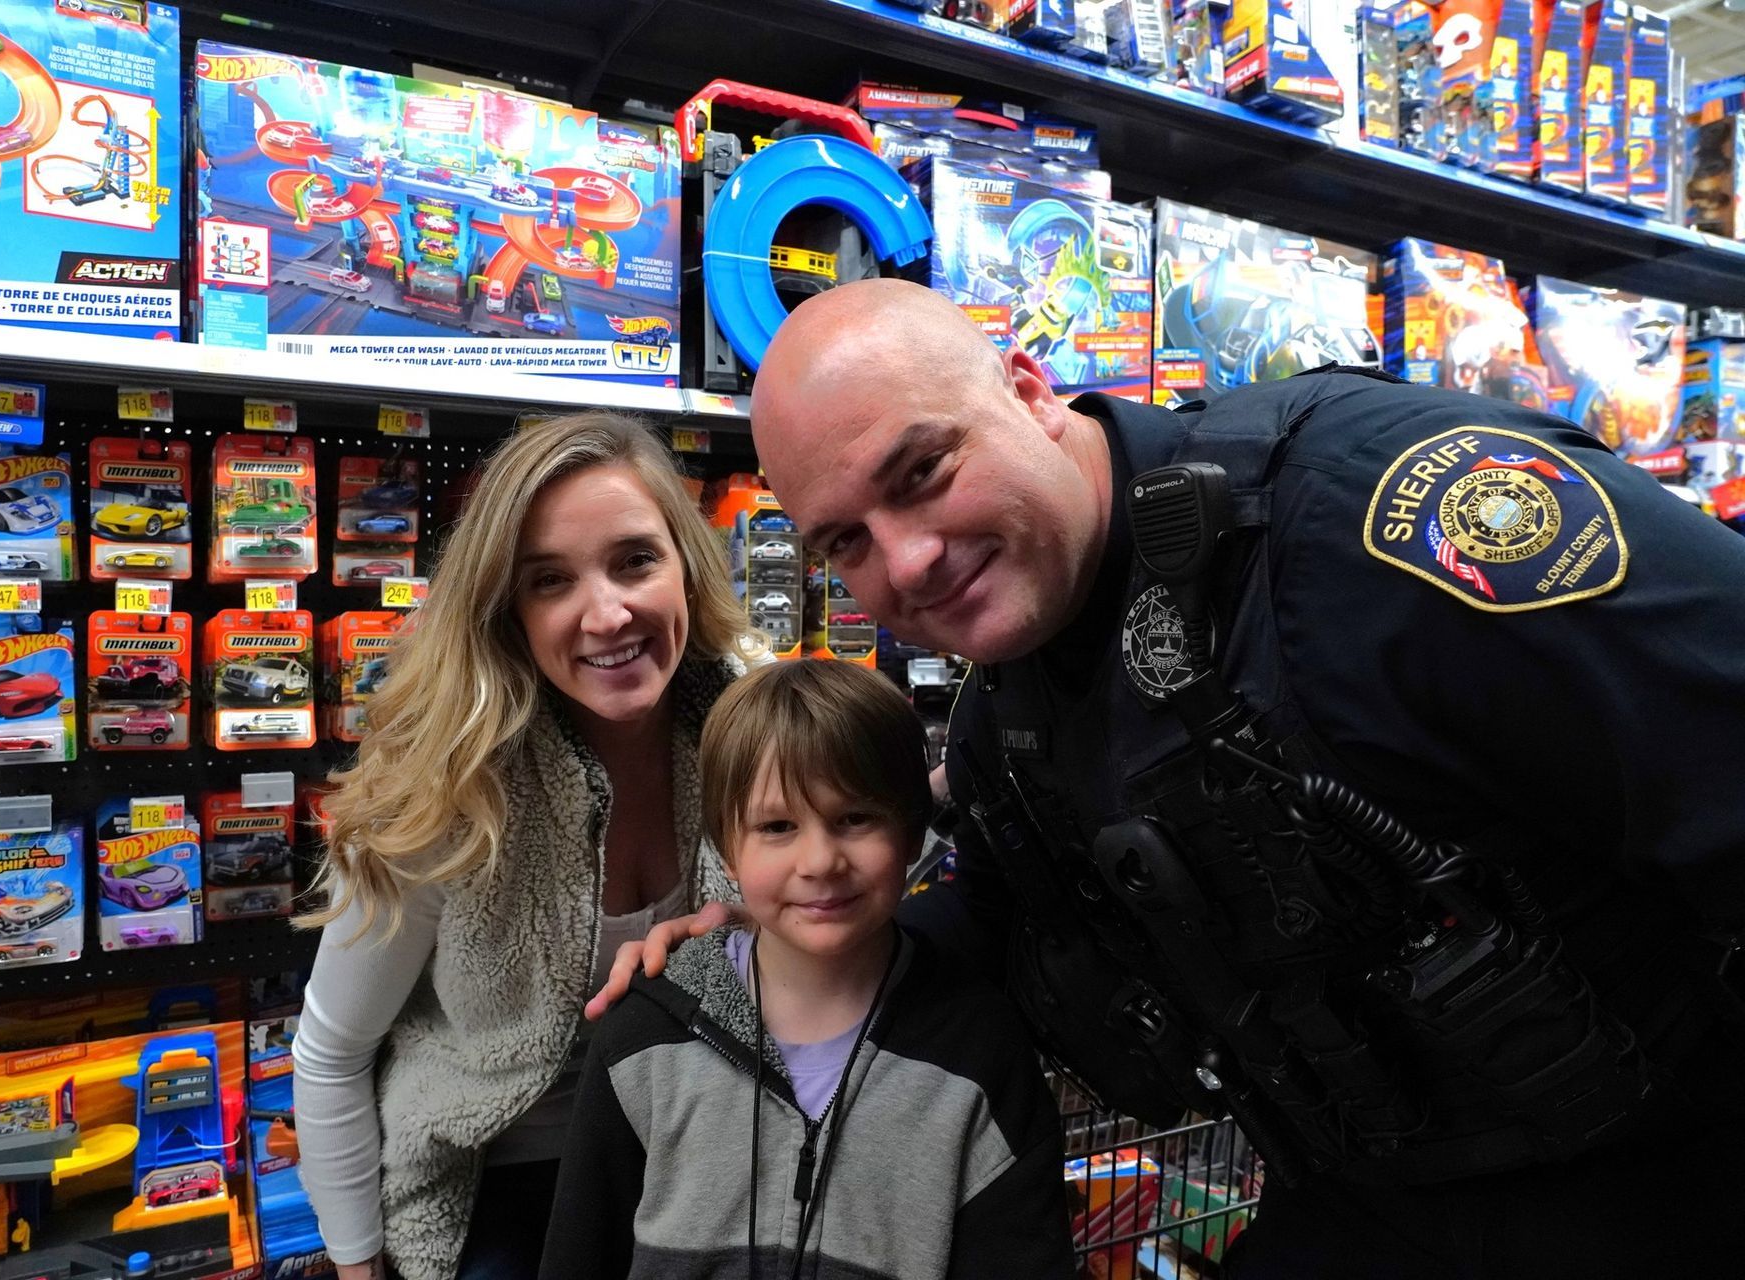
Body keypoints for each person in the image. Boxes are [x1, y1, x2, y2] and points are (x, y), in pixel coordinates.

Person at [594, 279, 1745, 1276]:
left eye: (925, 470)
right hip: (1377, 1194)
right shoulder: (1010, 715)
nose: (906, 559)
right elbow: (996, 911)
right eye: (843, 539)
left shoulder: (1363, 522)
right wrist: (787, 930)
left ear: (1031, 389)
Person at [291, 411, 766, 1280]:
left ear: (688, 572)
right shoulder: (449, 788)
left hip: (703, 1152)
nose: (607, 613)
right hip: (492, 1184)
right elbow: (330, 1054)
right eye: (550, 581)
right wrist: (359, 1269)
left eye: (635, 560)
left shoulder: (748, 739)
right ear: (506, 612)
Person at [541, 660, 1072, 1278]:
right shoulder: (643, 1041)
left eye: (855, 818)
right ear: (726, 844)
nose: (819, 860)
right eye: (777, 826)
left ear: (911, 833)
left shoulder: (980, 1055)